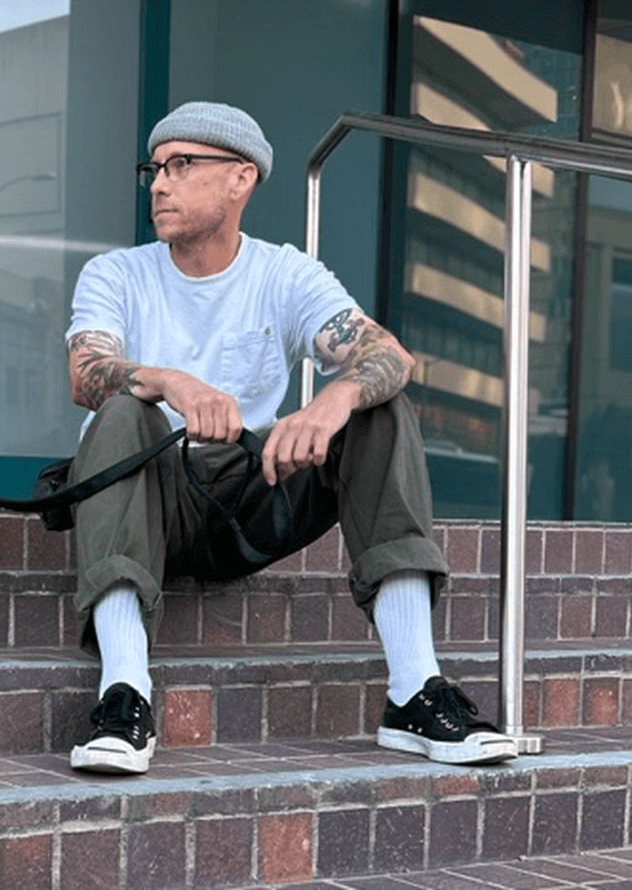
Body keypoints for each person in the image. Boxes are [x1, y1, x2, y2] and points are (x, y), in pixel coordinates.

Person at [63, 101, 516, 775]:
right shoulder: (117, 274)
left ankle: (414, 691)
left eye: (181, 166)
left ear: (241, 179)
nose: (159, 183)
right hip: (153, 499)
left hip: (254, 494)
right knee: (125, 410)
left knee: (378, 407)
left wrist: (332, 400)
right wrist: (170, 383)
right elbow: (86, 373)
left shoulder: (286, 273)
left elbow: (385, 353)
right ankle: (125, 695)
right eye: (154, 169)